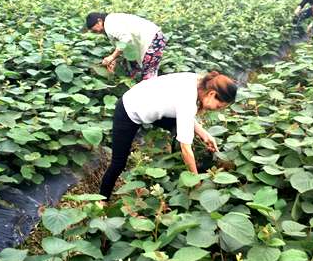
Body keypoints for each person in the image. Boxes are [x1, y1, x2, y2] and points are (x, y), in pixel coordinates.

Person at [99, 71, 238, 199]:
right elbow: (186, 146)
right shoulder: (188, 100)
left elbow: (185, 114)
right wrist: (196, 183)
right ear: (212, 94)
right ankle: (103, 199)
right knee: (119, 162)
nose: (216, 110)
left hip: (149, 102)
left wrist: (204, 133)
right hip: (129, 109)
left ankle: (186, 163)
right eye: (219, 106)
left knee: (184, 132)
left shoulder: (200, 82)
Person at [86, 12, 167, 80]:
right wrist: (114, 59)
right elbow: (122, 45)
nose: (95, 32)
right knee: (131, 68)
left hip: (152, 39)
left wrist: (112, 56)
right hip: (146, 41)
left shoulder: (110, 24)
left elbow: (126, 40)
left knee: (148, 76)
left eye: (94, 30)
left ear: (99, 21)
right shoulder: (111, 21)